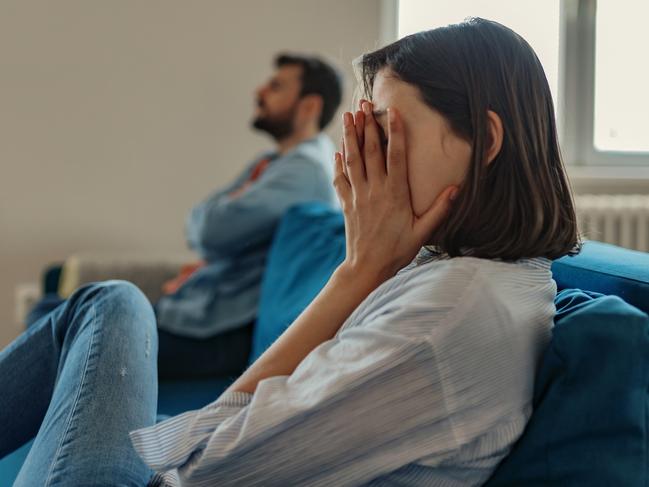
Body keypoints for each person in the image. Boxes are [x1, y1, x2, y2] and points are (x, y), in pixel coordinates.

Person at [1, 18, 579, 486]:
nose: (359, 158)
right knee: (109, 308)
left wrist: (357, 274)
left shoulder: (450, 312)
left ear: (486, 140)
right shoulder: (465, 273)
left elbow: (197, 468)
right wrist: (367, 271)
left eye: (382, 129)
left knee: (109, 306)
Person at [27, 53, 344, 380]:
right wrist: (215, 226)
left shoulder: (305, 172)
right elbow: (201, 221)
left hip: (217, 333)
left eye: (276, 86)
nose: (259, 92)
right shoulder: (273, 162)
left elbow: (208, 230)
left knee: (52, 319)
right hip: (197, 315)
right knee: (53, 310)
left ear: (309, 106)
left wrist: (216, 225)